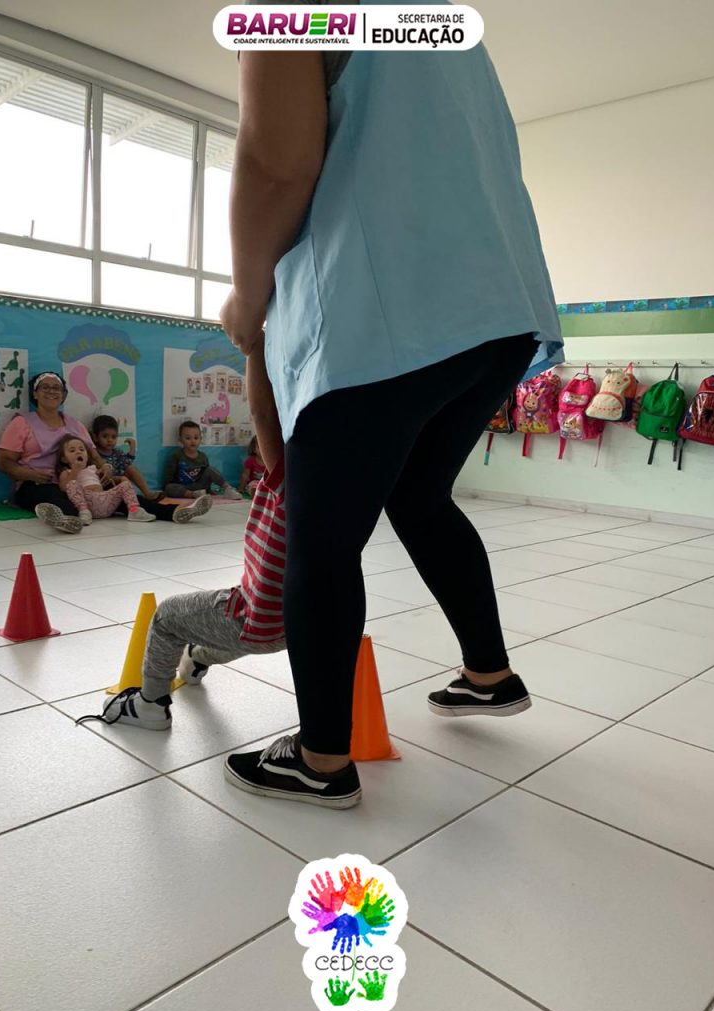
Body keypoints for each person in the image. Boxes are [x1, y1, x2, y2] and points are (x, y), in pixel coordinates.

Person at [217, 11, 564, 808]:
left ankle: (320, 758)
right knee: (419, 495)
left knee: (324, 539)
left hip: (385, 312)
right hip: (499, 311)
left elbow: (276, 163)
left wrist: (248, 294)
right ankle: (488, 673)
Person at [74, 343, 364, 808]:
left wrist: (254, 346)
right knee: (233, 635)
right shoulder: (355, 483)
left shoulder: (292, 473)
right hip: (303, 630)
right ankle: (199, 659)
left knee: (168, 617)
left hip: (256, 615)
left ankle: (149, 706)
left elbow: (263, 413)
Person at [0, 371, 212, 533]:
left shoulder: (74, 424)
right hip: (38, 484)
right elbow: (4, 462)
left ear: (63, 395)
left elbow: (94, 454)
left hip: (81, 482)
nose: (51, 391)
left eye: (57, 388)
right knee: (54, 497)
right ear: (35, 393)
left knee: (123, 496)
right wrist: (31, 475)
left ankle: (176, 512)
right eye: (45, 387)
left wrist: (104, 468)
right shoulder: (22, 423)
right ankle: (66, 519)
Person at [54, 434, 156, 525]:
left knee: (125, 483)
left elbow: (106, 479)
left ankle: (134, 510)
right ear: (64, 459)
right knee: (72, 484)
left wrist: (117, 479)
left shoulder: (93, 468)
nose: (78, 452)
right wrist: (75, 470)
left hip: (105, 501)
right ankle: (84, 512)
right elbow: (63, 487)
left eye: (81, 449)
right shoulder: (67, 472)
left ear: (87, 455)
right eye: (72, 450)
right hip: (87, 505)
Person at [162, 420, 243, 499]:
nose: (192, 441)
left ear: (200, 439)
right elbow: (169, 479)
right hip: (184, 488)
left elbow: (208, 476)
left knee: (210, 470)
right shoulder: (176, 456)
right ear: (180, 440)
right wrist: (172, 488)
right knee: (169, 487)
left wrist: (209, 490)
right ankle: (192, 494)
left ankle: (228, 489)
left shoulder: (203, 456)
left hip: (200, 486)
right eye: (188, 438)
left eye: (196, 438)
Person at [91, 414, 163, 501]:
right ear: (95, 437)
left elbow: (126, 464)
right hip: (104, 482)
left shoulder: (116, 452)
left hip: (119, 481)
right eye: (105, 436)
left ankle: (147, 493)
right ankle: (132, 500)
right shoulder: (95, 453)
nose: (110, 440)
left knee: (131, 468)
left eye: (113, 437)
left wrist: (132, 449)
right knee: (123, 479)